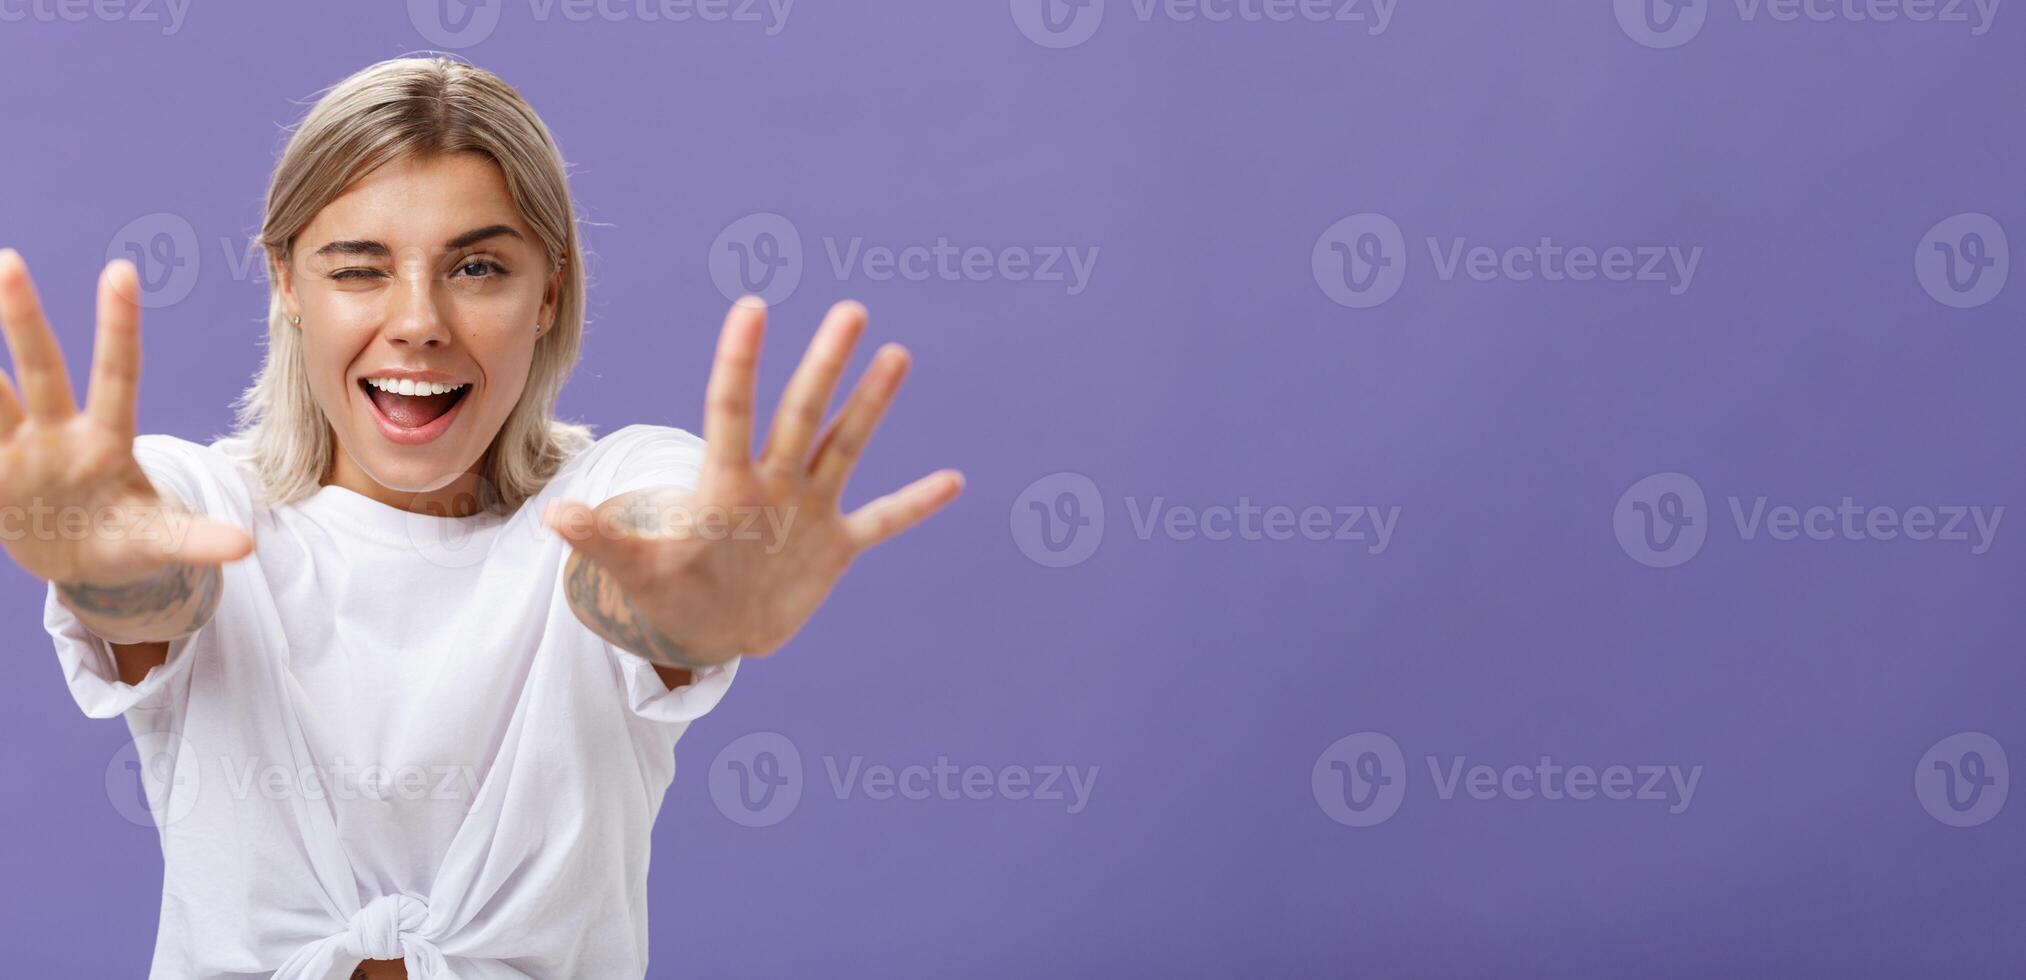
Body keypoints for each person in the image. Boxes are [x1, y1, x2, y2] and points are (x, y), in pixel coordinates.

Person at [3, 55, 962, 979]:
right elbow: (151, 576)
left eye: (476, 269)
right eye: (359, 268)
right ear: (287, 283)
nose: (419, 320)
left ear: (549, 289)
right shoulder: (205, 505)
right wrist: (103, 564)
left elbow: (655, 547)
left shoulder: (601, 495)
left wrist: (706, 593)